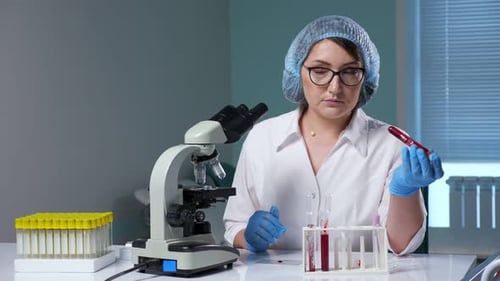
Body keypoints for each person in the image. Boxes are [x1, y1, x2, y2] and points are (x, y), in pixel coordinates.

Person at [223, 15, 444, 255]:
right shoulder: (262, 138)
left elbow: (401, 246)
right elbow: (235, 224)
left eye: (350, 72)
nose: (334, 87)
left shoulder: (390, 144)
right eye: (319, 70)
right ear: (298, 72)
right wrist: (250, 238)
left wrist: (405, 191)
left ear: (365, 76)